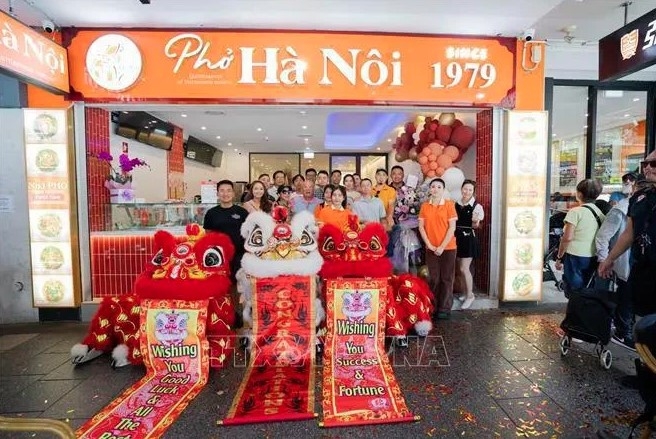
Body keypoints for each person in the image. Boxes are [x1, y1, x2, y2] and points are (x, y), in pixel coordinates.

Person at [595, 175, 642, 351]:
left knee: (631, 296)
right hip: (626, 262)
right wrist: (605, 260)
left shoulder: (645, 208)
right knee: (626, 296)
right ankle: (623, 332)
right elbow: (603, 237)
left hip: (640, 262)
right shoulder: (620, 210)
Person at [555, 179, 605, 294]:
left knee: (574, 291)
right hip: (592, 256)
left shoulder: (575, 212)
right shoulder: (599, 213)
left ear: (579, 194)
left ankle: (575, 310)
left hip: (575, 256)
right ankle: (585, 310)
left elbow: (567, 238)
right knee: (588, 289)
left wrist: (559, 257)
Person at [418, 178, 458, 320]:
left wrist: (441, 246)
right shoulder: (425, 206)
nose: (435, 189)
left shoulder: (449, 205)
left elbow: (452, 228)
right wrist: (429, 245)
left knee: (446, 278)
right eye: (433, 186)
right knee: (433, 278)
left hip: (448, 248)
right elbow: (421, 227)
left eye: (438, 187)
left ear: (443, 189)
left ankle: (445, 307)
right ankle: (433, 306)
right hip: (431, 247)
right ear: (430, 189)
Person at [203, 180, 248, 281]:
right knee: (219, 283)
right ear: (217, 193)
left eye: (228, 190)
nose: (225, 194)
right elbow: (208, 234)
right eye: (222, 191)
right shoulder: (211, 213)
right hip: (218, 256)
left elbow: (248, 233)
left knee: (238, 285)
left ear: (233, 193)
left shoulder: (242, 212)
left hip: (239, 255)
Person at [455, 180, 484, 310]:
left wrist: (475, 221)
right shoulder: (457, 203)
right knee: (459, 268)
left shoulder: (477, 207)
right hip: (457, 237)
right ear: (461, 189)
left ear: (473, 192)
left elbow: (476, 225)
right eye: (465, 189)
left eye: (470, 190)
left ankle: (470, 295)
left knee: (464, 268)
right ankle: (464, 292)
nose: (467, 192)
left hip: (468, 238)